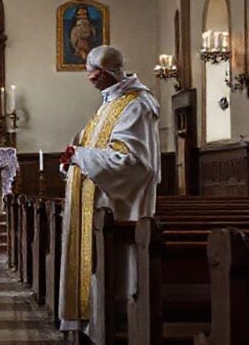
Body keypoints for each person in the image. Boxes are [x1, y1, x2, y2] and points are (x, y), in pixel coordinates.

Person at [57, 45, 160, 342]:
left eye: (94, 72)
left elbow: (134, 163)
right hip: (97, 200)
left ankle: (110, 325)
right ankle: (90, 323)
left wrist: (80, 157)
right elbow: (88, 148)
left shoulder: (138, 105)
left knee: (112, 269)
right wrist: (71, 161)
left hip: (116, 205)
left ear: (110, 72)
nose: (89, 78)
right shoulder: (110, 103)